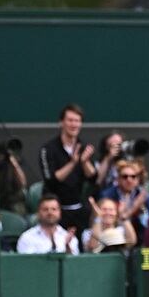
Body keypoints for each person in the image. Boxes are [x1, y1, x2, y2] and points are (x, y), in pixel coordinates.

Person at [39, 103, 95, 244]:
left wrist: (84, 162)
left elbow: (93, 178)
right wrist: (72, 163)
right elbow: (51, 180)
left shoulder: (84, 146)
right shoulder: (48, 149)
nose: (74, 124)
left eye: (77, 121)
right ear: (61, 122)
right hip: (57, 210)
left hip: (79, 208)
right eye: (70, 120)